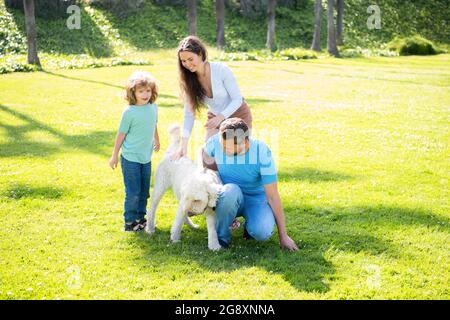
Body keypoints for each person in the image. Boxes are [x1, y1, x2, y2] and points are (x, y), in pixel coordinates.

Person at [204, 118, 298, 251]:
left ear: (245, 143)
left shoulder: (262, 152)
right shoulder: (216, 142)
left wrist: (283, 235)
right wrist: (204, 190)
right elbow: (204, 154)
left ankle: (250, 228)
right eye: (222, 145)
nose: (224, 149)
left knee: (262, 232)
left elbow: (272, 196)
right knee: (230, 190)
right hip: (229, 194)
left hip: (256, 198)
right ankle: (222, 237)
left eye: (228, 147)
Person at [170, 35, 252, 169]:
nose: (187, 64)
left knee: (238, 157)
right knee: (208, 157)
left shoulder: (221, 70)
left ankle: (239, 187)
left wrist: (221, 117)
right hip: (215, 117)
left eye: (190, 59)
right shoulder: (189, 81)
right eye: (183, 61)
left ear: (201, 54)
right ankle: (214, 188)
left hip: (239, 115)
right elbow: (189, 115)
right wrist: (183, 146)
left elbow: (237, 99)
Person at [109, 71, 160, 231]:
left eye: (148, 91)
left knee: (144, 191)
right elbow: (121, 135)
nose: (145, 94)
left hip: (146, 158)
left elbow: (154, 124)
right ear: (133, 92)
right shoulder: (129, 112)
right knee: (133, 192)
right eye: (141, 91)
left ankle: (140, 218)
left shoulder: (153, 107)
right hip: (130, 158)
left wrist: (157, 139)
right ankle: (130, 222)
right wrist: (114, 155)